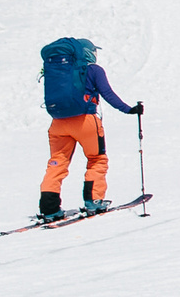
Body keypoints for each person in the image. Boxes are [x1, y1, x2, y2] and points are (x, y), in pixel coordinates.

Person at [36, 37, 141, 219]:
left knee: (57, 163)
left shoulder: (59, 71)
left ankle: (49, 209)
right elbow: (108, 94)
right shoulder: (93, 70)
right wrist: (129, 109)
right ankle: (94, 201)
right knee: (97, 159)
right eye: (94, 51)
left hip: (58, 123)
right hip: (85, 121)